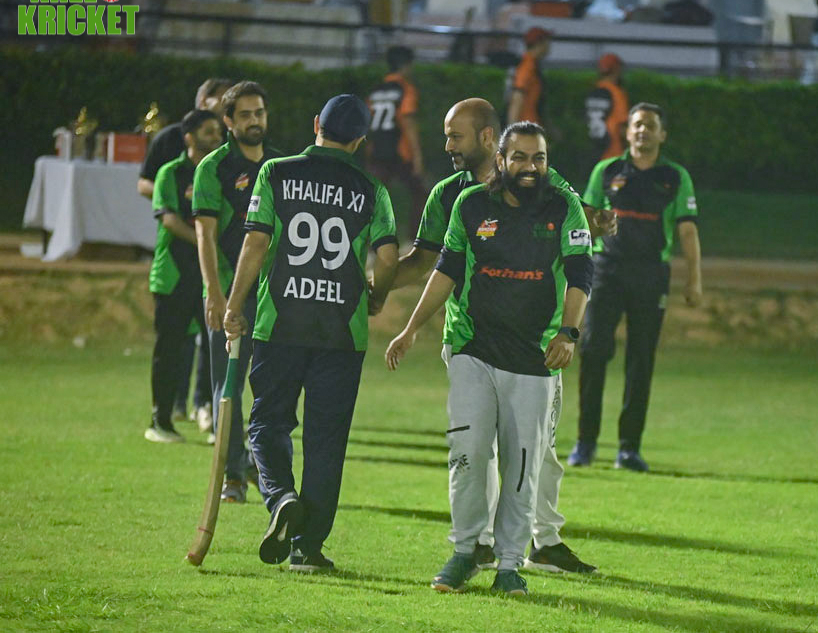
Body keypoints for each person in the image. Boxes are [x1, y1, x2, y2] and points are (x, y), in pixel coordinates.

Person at [393, 98, 614, 573]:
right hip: (469, 338)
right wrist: (393, 307)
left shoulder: (554, 191)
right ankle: (477, 545)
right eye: (446, 136)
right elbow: (434, 263)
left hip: (537, 346)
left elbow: (579, 249)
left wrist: (568, 330)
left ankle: (540, 541)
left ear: (487, 138)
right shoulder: (454, 197)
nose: (448, 146)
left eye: (456, 136)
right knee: (473, 447)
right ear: (501, 156)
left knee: (536, 450)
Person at [223, 94, 398, 572]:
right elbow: (387, 257)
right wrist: (377, 295)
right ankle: (307, 547)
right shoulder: (371, 189)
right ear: (360, 140)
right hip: (342, 332)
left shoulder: (275, 172)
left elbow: (255, 242)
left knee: (267, 421)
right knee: (326, 439)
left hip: (280, 323)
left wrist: (234, 305)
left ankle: (280, 496)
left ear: (316, 122)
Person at [568, 102, 702, 472]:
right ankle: (585, 443)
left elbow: (687, 230)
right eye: (637, 125)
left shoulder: (674, 177)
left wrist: (694, 279)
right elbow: (584, 220)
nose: (643, 131)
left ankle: (629, 449)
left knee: (641, 358)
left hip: (650, 274)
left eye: (650, 126)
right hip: (606, 272)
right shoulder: (607, 171)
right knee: (593, 351)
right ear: (627, 132)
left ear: (662, 134)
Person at [193, 81, 282, 503]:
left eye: (259, 112)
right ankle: (233, 476)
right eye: (245, 115)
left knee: (273, 387)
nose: (254, 121)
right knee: (227, 385)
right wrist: (214, 294)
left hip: (273, 294)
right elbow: (205, 235)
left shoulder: (280, 166)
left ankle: (266, 471)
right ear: (228, 121)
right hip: (230, 293)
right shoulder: (214, 167)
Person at [138, 77, 232, 434]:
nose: (217, 137)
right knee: (171, 347)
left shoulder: (220, 173)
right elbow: (169, 219)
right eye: (209, 132)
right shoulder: (170, 172)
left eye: (218, 132)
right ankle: (161, 419)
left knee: (214, 345)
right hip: (174, 273)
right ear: (189, 138)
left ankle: (209, 413)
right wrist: (206, 241)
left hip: (210, 274)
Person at [367, 45, 426, 240]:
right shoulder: (406, 89)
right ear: (406, 65)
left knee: (373, 199)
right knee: (420, 193)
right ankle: (414, 240)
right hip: (399, 151)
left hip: (377, 150)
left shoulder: (376, 90)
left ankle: (370, 242)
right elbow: (408, 121)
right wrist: (417, 156)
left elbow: (369, 121)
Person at [585, 53, 629, 161]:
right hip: (613, 153)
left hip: (593, 152)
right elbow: (622, 126)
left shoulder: (593, 92)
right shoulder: (616, 93)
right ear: (617, 69)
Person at [506, 26, 551, 127]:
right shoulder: (527, 67)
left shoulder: (531, 65)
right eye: (547, 41)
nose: (549, 45)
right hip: (526, 127)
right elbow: (517, 98)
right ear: (540, 43)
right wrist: (512, 131)